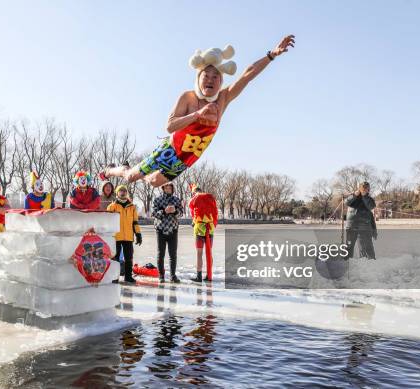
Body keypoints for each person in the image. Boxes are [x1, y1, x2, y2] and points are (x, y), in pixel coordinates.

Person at [100, 35, 295, 187]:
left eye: (215, 76)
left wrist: (272, 55)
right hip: (171, 150)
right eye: (206, 75)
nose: (210, 79)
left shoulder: (223, 98)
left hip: (188, 157)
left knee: (153, 182)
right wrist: (196, 115)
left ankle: (134, 171)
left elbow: (247, 75)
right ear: (199, 78)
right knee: (131, 177)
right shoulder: (188, 97)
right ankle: (115, 170)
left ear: (221, 81)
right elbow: (169, 126)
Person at [107, 185, 142, 283]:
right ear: (117, 193)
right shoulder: (112, 206)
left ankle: (128, 276)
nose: (122, 193)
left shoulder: (132, 207)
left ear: (126, 193)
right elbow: (108, 222)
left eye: (124, 191)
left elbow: (135, 222)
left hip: (128, 236)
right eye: (120, 191)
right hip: (116, 236)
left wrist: (138, 234)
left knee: (129, 258)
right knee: (115, 258)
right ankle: (115, 277)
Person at [152, 182, 183, 283]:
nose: (168, 189)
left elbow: (181, 214)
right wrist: (164, 211)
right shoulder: (157, 200)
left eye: (170, 187)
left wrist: (175, 211)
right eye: (166, 187)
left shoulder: (177, 200)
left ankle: (173, 276)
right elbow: (155, 214)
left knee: (173, 254)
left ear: (172, 189)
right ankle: (161, 275)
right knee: (161, 254)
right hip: (160, 229)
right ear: (163, 188)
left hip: (173, 229)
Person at [188, 184, 218, 282]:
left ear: (194, 192)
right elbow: (215, 213)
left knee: (199, 254)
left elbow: (193, 211)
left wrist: (193, 222)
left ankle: (199, 276)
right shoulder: (210, 198)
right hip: (210, 229)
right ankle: (209, 275)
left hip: (199, 228)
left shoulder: (195, 198)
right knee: (209, 252)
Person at [345, 182, 376, 259]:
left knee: (365, 248)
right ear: (359, 188)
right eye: (363, 188)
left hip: (364, 227)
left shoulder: (369, 199)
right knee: (348, 247)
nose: (365, 190)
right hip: (351, 227)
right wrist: (354, 195)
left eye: (367, 189)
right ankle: (346, 264)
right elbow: (346, 202)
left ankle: (368, 265)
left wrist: (374, 230)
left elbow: (371, 207)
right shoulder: (352, 197)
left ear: (369, 190)